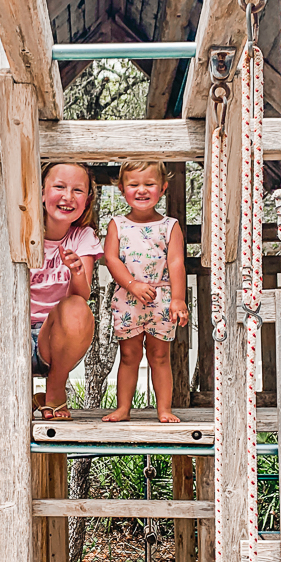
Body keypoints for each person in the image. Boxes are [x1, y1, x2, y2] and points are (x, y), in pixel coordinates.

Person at [0, 162, 102, 420]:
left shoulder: (82, 236)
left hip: (56, 342)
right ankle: (14, 389)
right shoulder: (20, 229)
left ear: (87, 200)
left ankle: (54, 391)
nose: (68, 196)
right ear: (41, 192)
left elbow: (82, 295)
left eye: (78, 190)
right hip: (10, 338)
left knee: (77, 307)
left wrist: (77, 272)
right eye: (59, 187)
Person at [102, 160, 189, 424]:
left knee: (160, 356)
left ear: (162, 189)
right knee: (129, 356)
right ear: (121, 188)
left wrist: (178, 299)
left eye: (149, 184)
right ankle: (123, 409)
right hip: (128, 298)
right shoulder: (117, 224)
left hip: (161, 300)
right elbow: (111, 259)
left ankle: (164, 409)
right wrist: (133, 284)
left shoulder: (170, 226)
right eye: (134, 185)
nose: (142, 190)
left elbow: (176, 262)